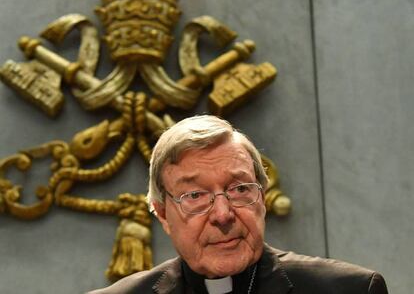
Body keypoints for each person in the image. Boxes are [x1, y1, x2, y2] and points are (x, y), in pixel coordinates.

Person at [88, 115, 388, 294]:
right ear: (163, 213)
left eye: (240, 188)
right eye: (195, 196)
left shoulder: (352, 290)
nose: (223, 214)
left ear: (263, 197)